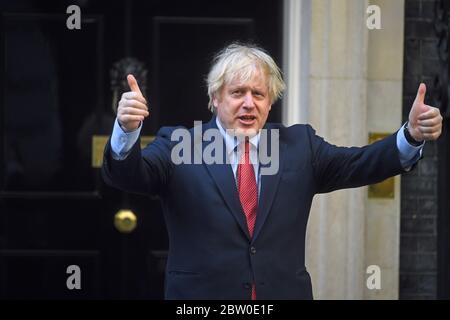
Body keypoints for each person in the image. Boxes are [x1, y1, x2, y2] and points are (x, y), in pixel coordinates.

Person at [101, 43, 443, 300]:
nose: (249, 103)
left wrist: (410, 135)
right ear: (214, 99)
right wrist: (126, 130)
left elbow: (360, 164)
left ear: (270, 101)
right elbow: (129, 176)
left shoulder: (299, 145)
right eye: (237, 93)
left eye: (259, 94)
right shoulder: (179, 144)